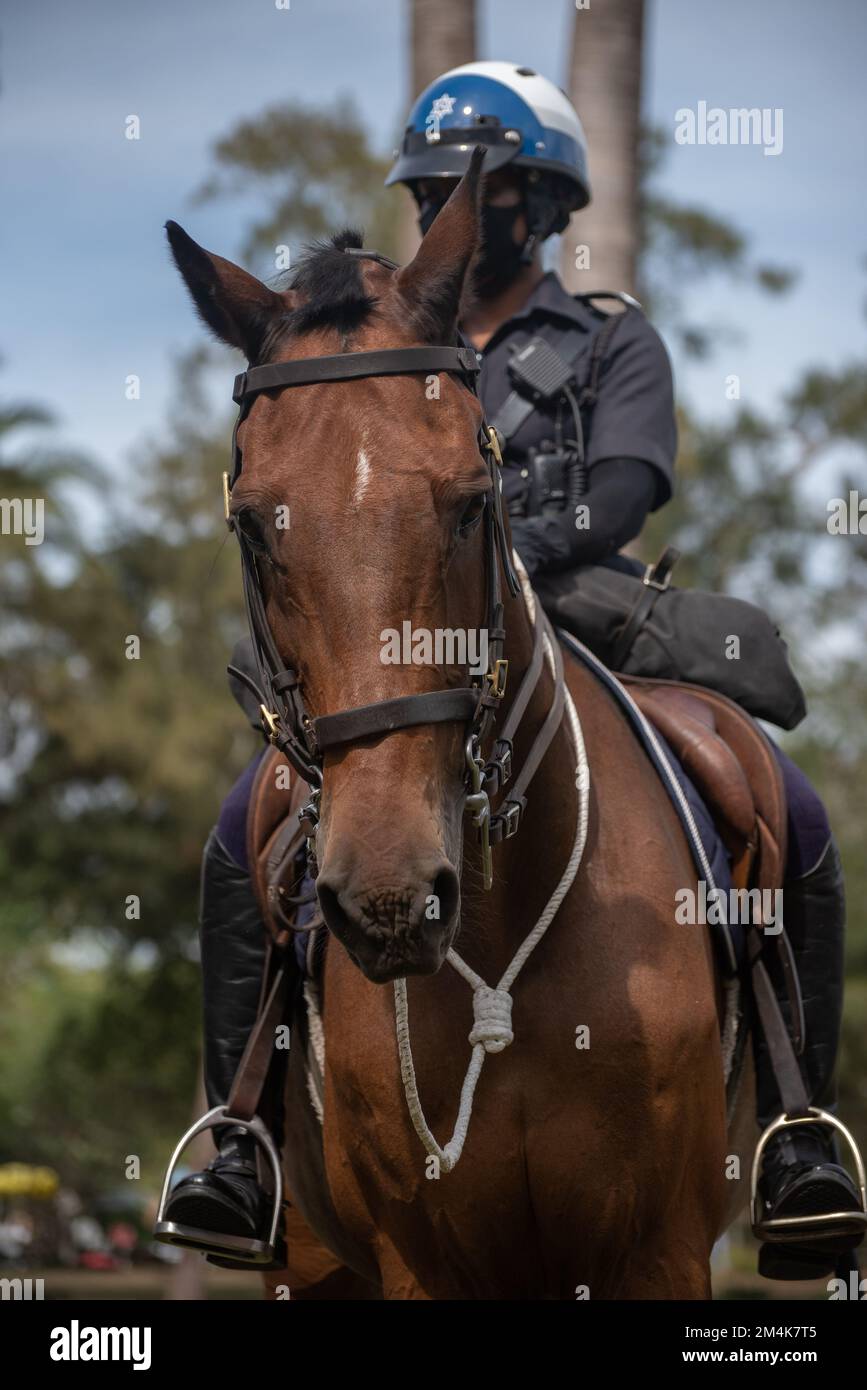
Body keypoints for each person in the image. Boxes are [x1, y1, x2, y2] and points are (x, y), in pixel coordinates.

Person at [158, 62, 864, 1281]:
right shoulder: (373, 341)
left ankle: (801, 1128)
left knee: (780, 798)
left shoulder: (608, 339)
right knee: (245, 825)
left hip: (577, 607)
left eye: (482, 192)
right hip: (412, 630)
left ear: (542, 207)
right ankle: (242, 1136)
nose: (457, 213)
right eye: (434, 189)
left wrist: (497, 547)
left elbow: (632, 481)